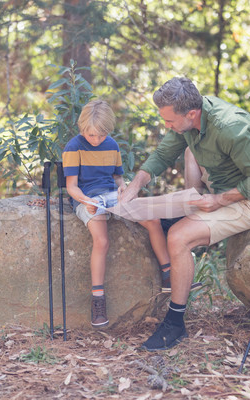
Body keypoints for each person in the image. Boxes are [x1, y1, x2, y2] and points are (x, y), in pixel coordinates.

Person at [119, 77, 250, 351]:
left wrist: (218, 200)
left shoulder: (230, 128)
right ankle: (189, 214)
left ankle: (175, 323)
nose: (167, 126)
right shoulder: (191, 122)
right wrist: (134, 186)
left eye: (169, 121)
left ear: (191, 113)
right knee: (189, 152)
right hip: (217, 187)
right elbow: (162, 154)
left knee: (178, 237)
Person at [62, 99, 185, 328]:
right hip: (88, 197)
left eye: (102, 135)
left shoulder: (112, 145)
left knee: (153, 220)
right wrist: (86, 201)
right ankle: (98, 299)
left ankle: (168, 275)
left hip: (112, 196)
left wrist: (122, 188)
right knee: (102, 240)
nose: (97, 139)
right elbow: (72, 187)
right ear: (82, 129)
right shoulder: (73, 147)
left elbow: (118, 178)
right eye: (91, 135)